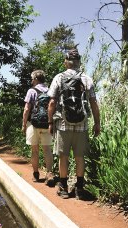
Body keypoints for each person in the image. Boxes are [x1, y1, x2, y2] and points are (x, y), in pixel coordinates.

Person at [47, 48, 101, 199]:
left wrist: (50, 122)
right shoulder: (86, 78)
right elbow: (94, 102)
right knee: (79, 157)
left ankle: (64, 187)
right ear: (79, 63)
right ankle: (79, 189)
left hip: (63, 123)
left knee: (63, 156)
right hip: (82, 124)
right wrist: (97, 123)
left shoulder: (59, 77)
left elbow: (52, 102)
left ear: (66, 62)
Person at [22, 70, 54, 184]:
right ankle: (49, 173)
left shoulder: (31, 91)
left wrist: (24, 124)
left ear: (35, 79)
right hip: (47, 123)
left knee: (34, 150)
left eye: (32, 78)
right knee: (47, 149)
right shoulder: (50, 90)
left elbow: (27, 109)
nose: (31, 80)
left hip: (33, 123)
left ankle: (36, 174)